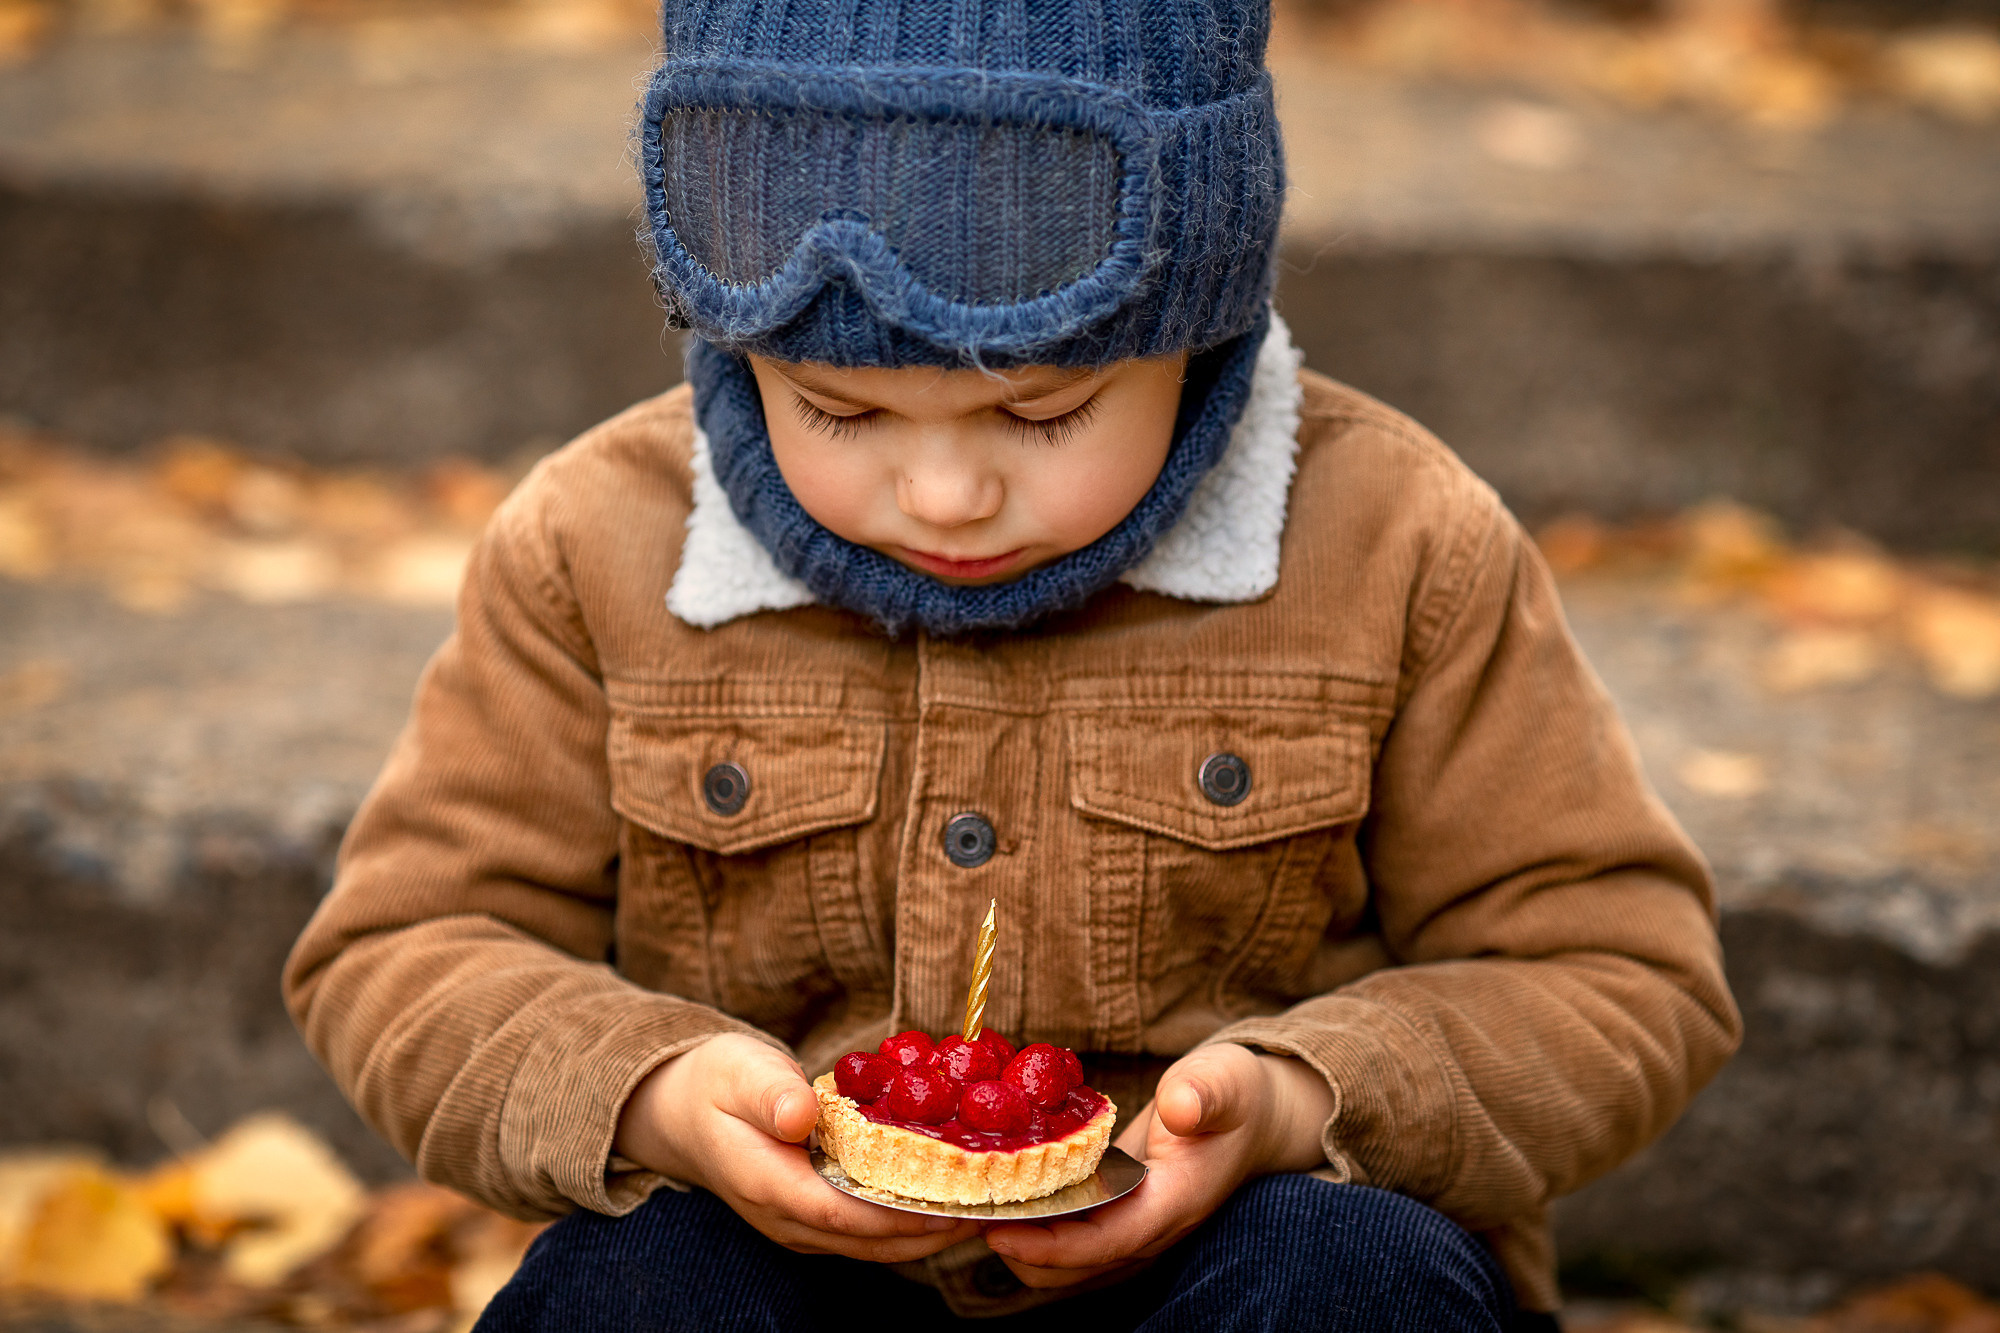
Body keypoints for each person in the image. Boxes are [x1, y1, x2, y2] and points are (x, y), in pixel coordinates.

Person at [283, 1, 1742, 1328]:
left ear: (1198, 329)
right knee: (639, 1290)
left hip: (1227, 1273)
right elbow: (405, 949)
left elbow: (1618, 973)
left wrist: (1306, 1104)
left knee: (1346, 1276)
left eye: (1041, 413)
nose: (947, 494)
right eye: (840, 411)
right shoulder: (595, 544)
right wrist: (651, 1094)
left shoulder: (1397, 542)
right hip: (791, 1281)